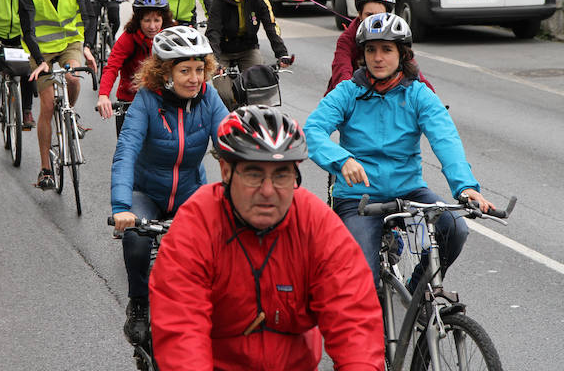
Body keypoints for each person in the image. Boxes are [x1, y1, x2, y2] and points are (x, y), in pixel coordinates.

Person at [147, 106, 385, 370]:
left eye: (281, 175)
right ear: (226, 171)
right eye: (253, 174)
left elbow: (354, 319)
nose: (268, 191)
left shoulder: (316, 223)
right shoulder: (197, 223)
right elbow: (181, 329)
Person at [304, 12, 494, 291]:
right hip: (359, 197)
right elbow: (313, 130)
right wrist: (341, 160)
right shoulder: (348, 92)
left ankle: (417, 290)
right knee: (362, 284)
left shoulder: (418, 94)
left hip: (408, 191)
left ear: (402, 54)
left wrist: (464, 187)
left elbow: (445, 139)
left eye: (386, 50)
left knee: (455, 229)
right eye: (371, 50)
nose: (378, 57)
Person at [110, 25, 228, 344]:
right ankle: (138, 304)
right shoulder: (147, 101)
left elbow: (230, 143)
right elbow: (126, 150)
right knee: (135, 240)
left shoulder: (208, 97)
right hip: (145, 192)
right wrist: (122, 208)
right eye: (185, 70)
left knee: (220, 247)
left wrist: (244, 189)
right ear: (165, 72)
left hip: (190, 192)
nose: (194, 78)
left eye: (199, 70)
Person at [21, 0, 97, 189]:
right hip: (40, 48)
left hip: (69, 42)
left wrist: (88, 46)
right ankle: (45, 169)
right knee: (46, 104)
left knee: (73, 78)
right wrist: (41, 61)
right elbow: (28, 29)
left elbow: (88, 15)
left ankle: (69, 114)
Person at [325, 0, 435, 95]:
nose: (374, 20)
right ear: (359, 15)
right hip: (353, 95)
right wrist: (345, 96)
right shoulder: (347, 39)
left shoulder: (394, 36)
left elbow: (412, 70)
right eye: (369, 15)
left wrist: (432, 98)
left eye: (386, 49)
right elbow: (341, 69)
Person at [96, 0, 174, 135]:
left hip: (162, 100)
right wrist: (103, 95)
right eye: (147, 20)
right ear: (138, 20)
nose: (152, 26)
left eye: (157, 20)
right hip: (131, 101)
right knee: (126, 153)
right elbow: (112, 67)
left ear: (164, 20)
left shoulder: (170, 37)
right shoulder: (128, 38)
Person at [206, 0, 290, 70]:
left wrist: (282, 53)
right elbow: (213, 31)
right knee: (222, 83)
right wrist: (215, 61)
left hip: (248, 49)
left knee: (257, 81)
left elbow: (271, 26)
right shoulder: (219, 0)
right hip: (223, 51)